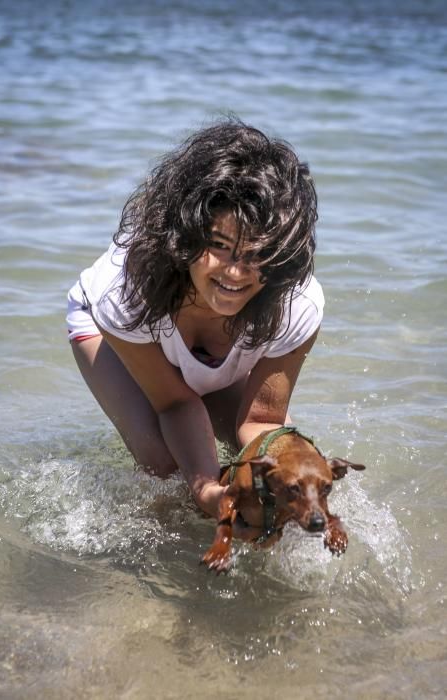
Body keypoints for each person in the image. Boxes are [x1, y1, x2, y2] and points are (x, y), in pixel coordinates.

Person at [66, 119, 324, 542]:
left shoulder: (297, 303)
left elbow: (260, 420)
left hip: (218, 345)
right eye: (219, 246)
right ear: (186, 236)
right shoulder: (122, 291)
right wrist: (206, 490)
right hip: (118, 328)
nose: (234, 273)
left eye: (257, 255)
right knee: (164, 467)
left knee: (270, 475)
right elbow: (174, 403)